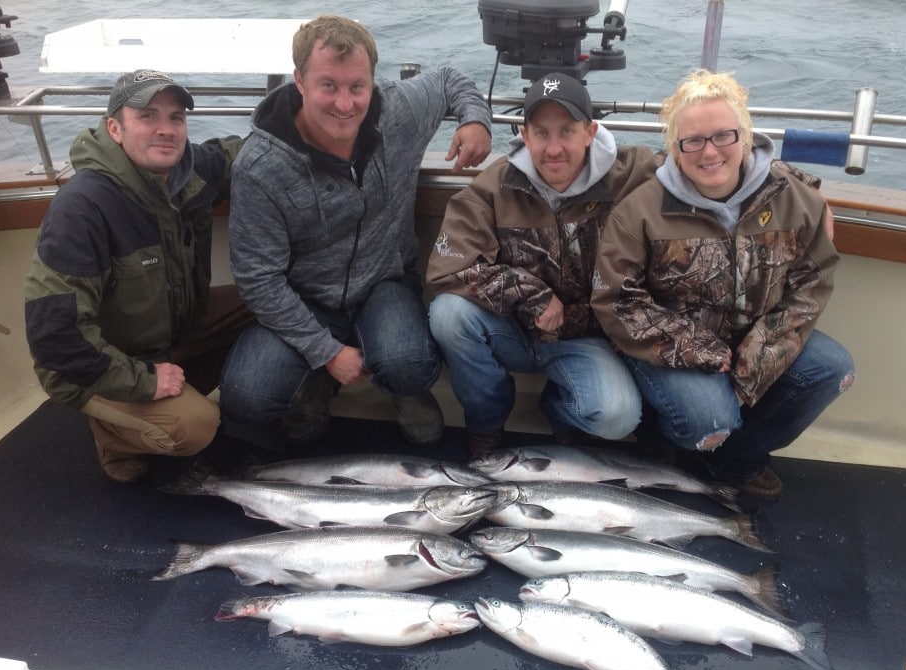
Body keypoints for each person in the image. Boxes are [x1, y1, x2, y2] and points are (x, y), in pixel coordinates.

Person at [219, 15, 492, 452]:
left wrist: (475, 118)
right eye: (328, 85)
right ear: (300, 82)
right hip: (303, 297)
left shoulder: (397, 111)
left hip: (384, 283)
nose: (345, 104)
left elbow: (447, 79)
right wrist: (325, 352)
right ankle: (318, 383)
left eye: (357, 87)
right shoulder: (259, 166)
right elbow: (259, 279)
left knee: (409, 363)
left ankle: (406, 392)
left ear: (372, 83)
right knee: (246, 397)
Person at [591, 69, 855, 499]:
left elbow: (813, 280)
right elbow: (618, 301)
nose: (709, 152)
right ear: (675, 149)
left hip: (757, 336)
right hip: (671, 348)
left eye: (723, 136)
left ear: (746, 136)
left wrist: (763, 348)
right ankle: (669, 439)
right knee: (708, 420)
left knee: (833, 370)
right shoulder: (640, 209)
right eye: (692, 140)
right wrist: (700, 349)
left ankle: (737, 460)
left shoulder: (796, 198)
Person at [23, 70, 248, 484]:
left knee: (261, 301)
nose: (166, 130)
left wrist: (309, 127)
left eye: (176, 117)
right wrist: (144, 382)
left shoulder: (188, 172)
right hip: (97, 364)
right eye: (147, 116)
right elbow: (55, 337)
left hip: (173, 333)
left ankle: (172, 393)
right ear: (115, 128)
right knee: (196, 426)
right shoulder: (83, 208)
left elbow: (244, 154)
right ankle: (115, 436)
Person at [427, 72, 660, 459]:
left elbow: (703, 165)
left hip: (586, 340)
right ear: (524, 133)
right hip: (513, 331)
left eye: (567, 131)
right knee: (448, 315)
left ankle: (559, 409)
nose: (554, 149)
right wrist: (530, 294)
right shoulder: (494, 186)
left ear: (590, 131)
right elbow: (445, 267)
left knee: (617, 417)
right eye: (541, 133)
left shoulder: (633, 175)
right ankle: (486, 422)